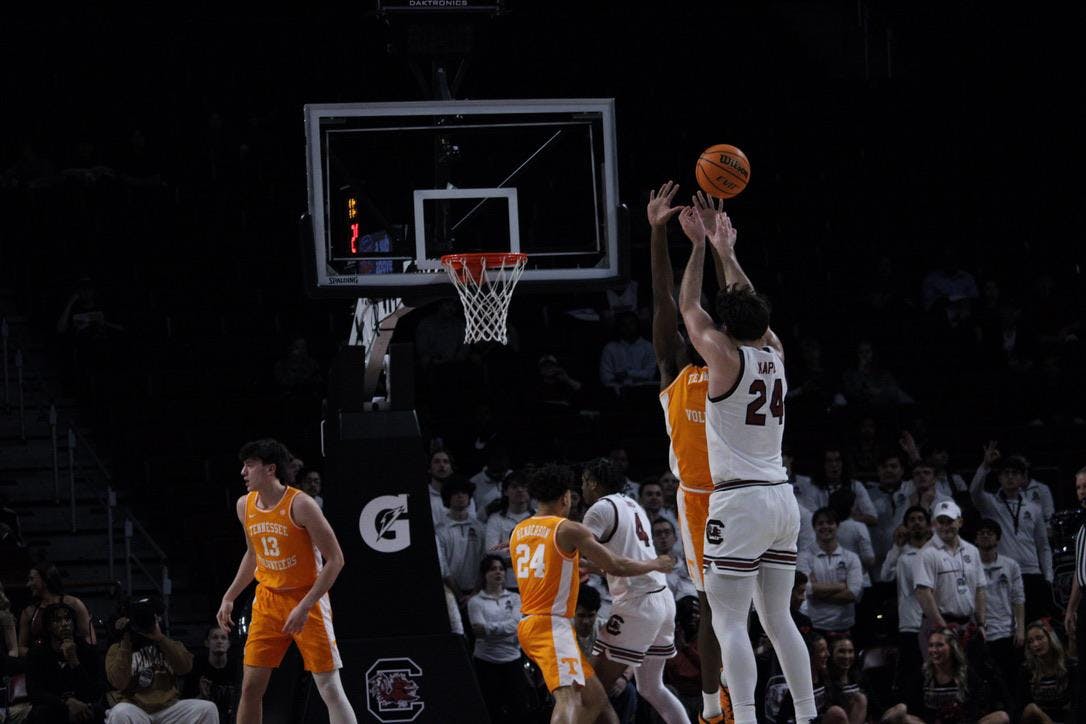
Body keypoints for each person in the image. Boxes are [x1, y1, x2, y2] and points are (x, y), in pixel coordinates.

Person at [677, 195, 815, 724]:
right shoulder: (776, 352)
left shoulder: (724, 355)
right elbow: (748, 305)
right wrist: (727, 250)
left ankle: (749, 719)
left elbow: (690, 310)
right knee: (778, 619)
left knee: (731, 622)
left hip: (740, 502)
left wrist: (696, 249)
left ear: (726, 327)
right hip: (783, 499)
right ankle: (806, 716)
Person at [510, 462, 673, 724]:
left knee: (600, 705)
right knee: (571, 701)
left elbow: (562, 564)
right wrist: (656, 564)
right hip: (550, 624)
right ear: (565, 497)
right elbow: (616, 565)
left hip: (534, 624)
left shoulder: (518, 530)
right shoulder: (568, 529)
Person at [215, 439, 355, 724]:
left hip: (308, 600)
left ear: (270, 469)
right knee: (251, 688)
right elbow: (253, 555)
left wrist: (304, 606)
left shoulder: (301, 504)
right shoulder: (245, 506)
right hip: (268, 600)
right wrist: (229, 596)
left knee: (329, 687)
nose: (243, 472)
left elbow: (336, 560)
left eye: (249, 465)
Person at [580, 458, 688, 723]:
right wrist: (590, 568)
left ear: (593, 483)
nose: (581, 488)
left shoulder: (598, 510)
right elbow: (615, 565)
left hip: (638, 604)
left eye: (583, 482)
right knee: (651, 687)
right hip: (661, 599)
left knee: (589, 690)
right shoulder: (632, 506)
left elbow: (573, 548)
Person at [969, 443, 1053, 622]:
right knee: (1007, 624)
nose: (1010, 477)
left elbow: (1043, 545)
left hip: (1032, 573)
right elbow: (974, 491)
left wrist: (1049, 577)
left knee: (1033, 625)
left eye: (1015, 473)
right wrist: (985, 465)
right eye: (1005, 473)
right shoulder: (991, 504)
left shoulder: (1034, 507)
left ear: (1023, 478)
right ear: (999, 478)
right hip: (1003, 572)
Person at [104, 603, 218, 723]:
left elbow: (185, 668)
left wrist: (160, 638)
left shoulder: (169, 644)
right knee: (119, 713)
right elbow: (118, 683)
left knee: (208, 709)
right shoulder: (117, 649)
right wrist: (126, 639)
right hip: (135, 707)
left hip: (168, 708)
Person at [884, 628, 1009, 723]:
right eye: (931, 645)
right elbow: (913, 706)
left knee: (1002, 716)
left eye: (939, 645)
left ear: (952, 648)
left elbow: (975, 706)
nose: (934, 650)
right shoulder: (923, 674)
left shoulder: (966, 672)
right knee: (898, 711)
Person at [913, 500, 987, 657]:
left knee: (970, 675)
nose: (945, 526)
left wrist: (981, 623)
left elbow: (980, 589)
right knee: (940, 676)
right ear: (934, 524)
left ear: (960, 522)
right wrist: (943, 627)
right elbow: (923, 593)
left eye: (950, 521)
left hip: (968, 624)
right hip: (939, 625)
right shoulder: (926, 553)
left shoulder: (972, 551)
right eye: (941, 522)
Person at [467, 555, 529, 724]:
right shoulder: (475, 602)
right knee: (491, 708)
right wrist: (505, 628)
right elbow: (477, 631)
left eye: (501, 569)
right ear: (484, 574)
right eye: (493, 569)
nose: (498, 572)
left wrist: (489, 628)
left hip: (512, 659)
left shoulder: (515, 598)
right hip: (486, 662)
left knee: (518, 708)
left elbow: (517, 625)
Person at [26, 602, 105, 723]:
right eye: (57, 620)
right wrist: (66, 703)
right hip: (54, 707)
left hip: (85, 706)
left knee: (97, 711)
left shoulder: (88, 651)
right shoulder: (37, 654)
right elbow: (35, 692)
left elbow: (95, 691)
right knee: (40, 713)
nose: (64, 624)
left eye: (68, 619)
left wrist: (74, 661)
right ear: (48, 626)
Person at [975, 518, 1025, 692]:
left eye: (990, 533)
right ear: (975, 539)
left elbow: (1018, 599)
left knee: (1013, 681)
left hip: (1008, 633)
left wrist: (1020, 629)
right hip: (983, 635)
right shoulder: (970, 567)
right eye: (981, 533)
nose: (986, 536)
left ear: (998, 538)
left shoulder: (1011, 565)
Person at [796, 508, 863, 637]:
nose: (825, 526)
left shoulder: (851, 558)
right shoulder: (804, 557)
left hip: (845, 625)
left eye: (830, 522)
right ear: (814, 527)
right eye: (820, 523)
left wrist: (817, 591)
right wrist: (840, 586)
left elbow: (853, 594)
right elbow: (805, 589)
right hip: (815, 625)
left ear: (837, 526)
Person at [18, 563, 96, 656]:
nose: (28, 584)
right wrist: (40, 656)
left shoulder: (73, 604)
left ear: (45, 580)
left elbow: (90, 638)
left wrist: (75, 654)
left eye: (32, 579)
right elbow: (21, 647)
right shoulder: (29, 612)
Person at [1016, 620, 1077, 723]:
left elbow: (1077, 703)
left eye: (1039, 638)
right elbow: (1021, 707)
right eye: (1030, 641)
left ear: (1050, 638)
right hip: (1038, 719)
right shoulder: (1026, 670)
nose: (1035, 644)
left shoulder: (1070, 666)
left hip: (1065, 718)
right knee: (1032, 708)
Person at [484, 471, 534, 590]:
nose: (520, 490)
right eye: (514, 487)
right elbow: (491, 550)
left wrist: (510, 557)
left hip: (537, 582)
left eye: (524, 486)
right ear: (506, 491)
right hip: (508, 584)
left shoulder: (541, 517)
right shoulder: (495, 519)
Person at [1062, 466, 1085, 717]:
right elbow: (1080, 574)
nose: (1082, 492)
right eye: (1079, 487)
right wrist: (1071, 608)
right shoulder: (1081, 530)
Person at [181, 626, 240, 723]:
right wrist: (202, 696)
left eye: (223, 638)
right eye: (215, 637)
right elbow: (186, 707)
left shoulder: (236, 668)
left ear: (229, 644)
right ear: (207, 643)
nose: (219, 641)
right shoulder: (197, 668)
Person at [825, 636, 868, 724]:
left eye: (850, 651)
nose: (847, 656)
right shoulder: (826, 679)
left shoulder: (859, 676)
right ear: (831, 653)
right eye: (841, 651)